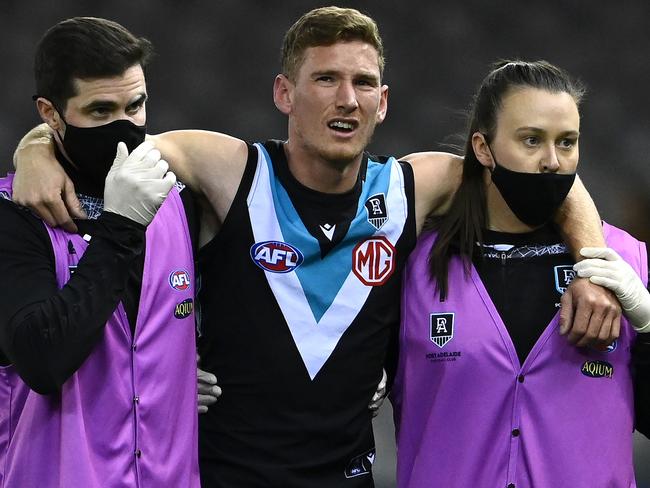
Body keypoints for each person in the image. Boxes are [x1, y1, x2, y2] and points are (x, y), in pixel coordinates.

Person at [12, 9, 620, 487]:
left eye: (363, 83)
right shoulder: (229, 170)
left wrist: (592, 266)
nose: (346, 99)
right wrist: (35, 149)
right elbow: (113, 140)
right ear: (284, 93)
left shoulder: (412, 186)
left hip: (349, 478)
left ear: (384, 101)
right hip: (227, 478)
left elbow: (546, 177)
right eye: (325, 79)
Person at [391, 60, 649, 488]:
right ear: (483, 147)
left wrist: (647, 321)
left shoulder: (627, 262)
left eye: (567, 143)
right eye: (531, 140)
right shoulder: (416, 266)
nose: (551, 161)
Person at [0, 18, 201, 487]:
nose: (124, 127)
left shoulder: (180, 198)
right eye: (100, 111)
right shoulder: (14, 215)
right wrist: (120, 229)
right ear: (51, 113)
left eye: (136, 105)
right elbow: (42, 361)